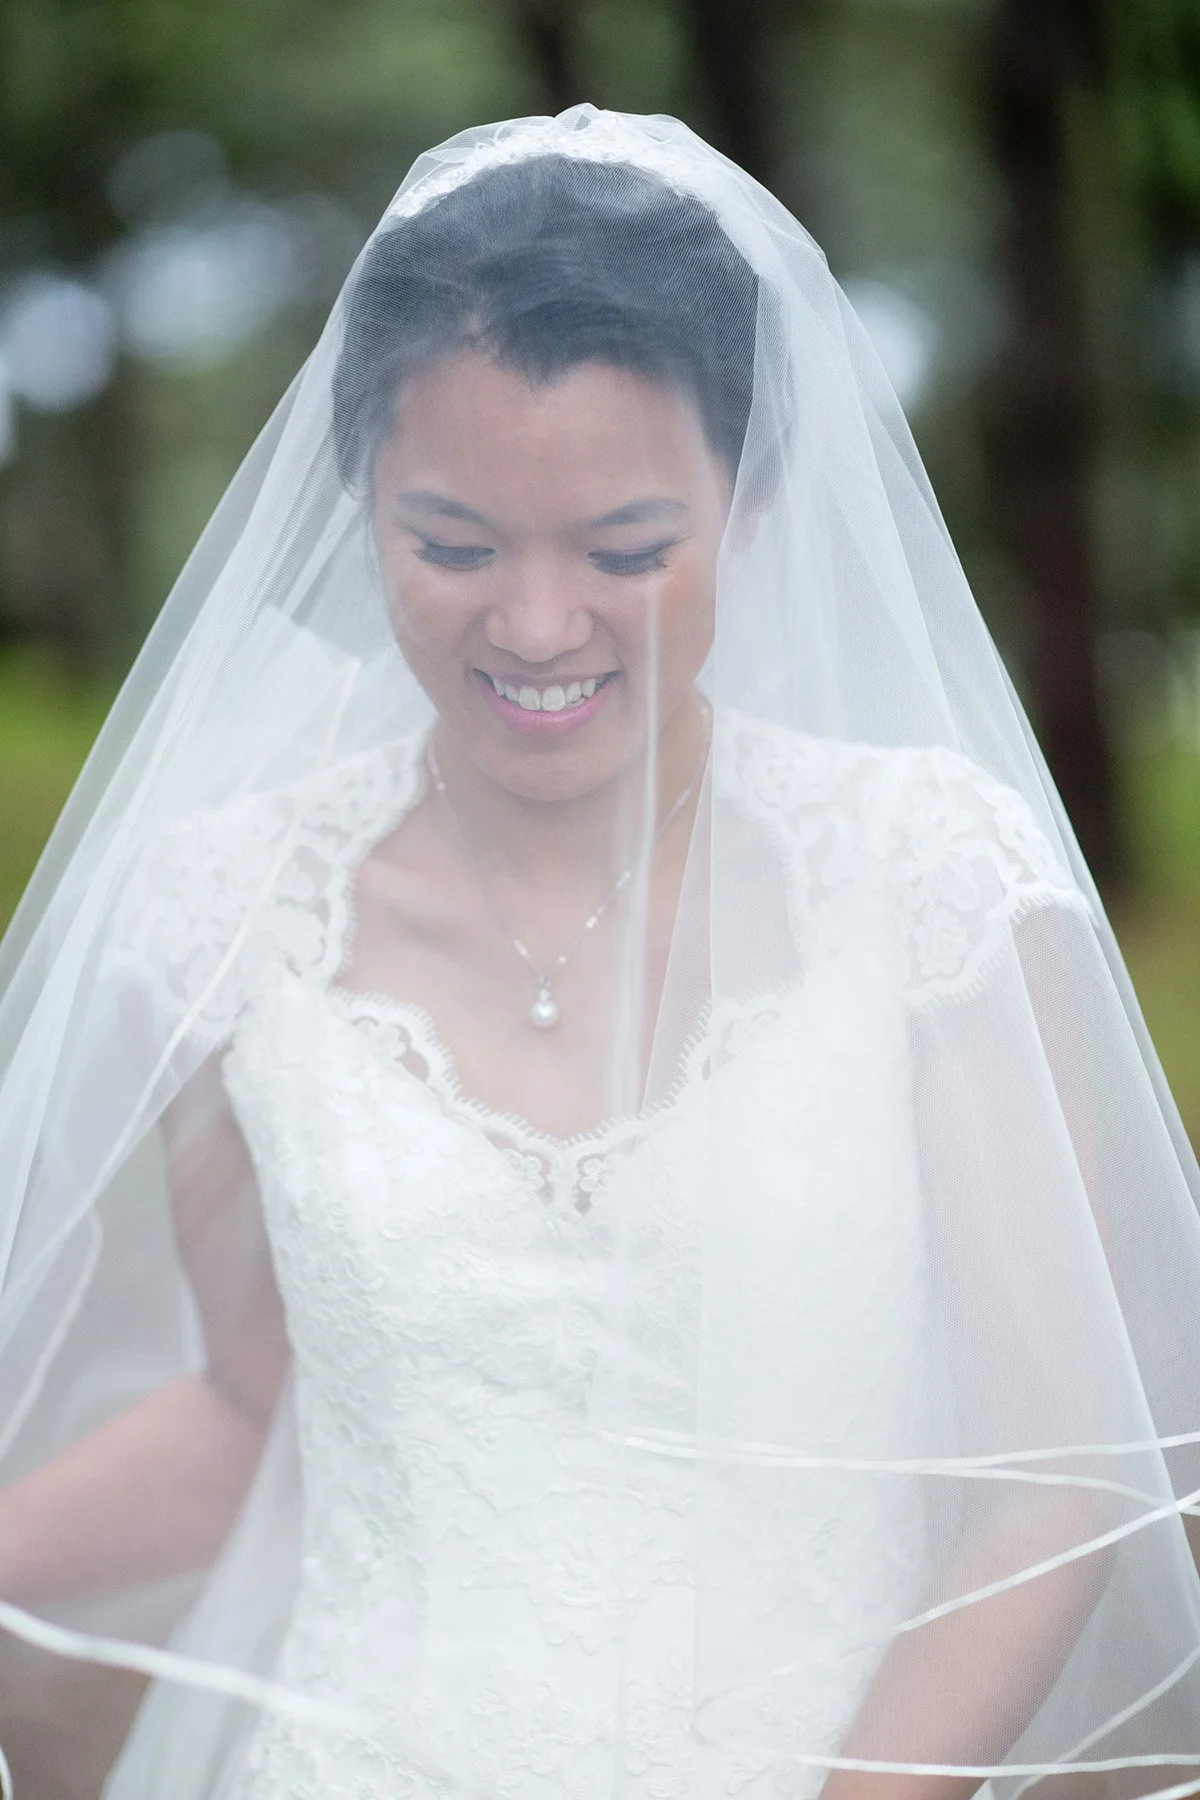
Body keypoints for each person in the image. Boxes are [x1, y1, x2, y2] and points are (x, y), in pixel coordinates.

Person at [0, 104, 1198, 1800]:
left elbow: (1056, 1472)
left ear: (755, 498)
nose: (540, 625)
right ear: (360, 510)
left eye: (627, 551)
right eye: (456, 545)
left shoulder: (927, 877)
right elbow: (255, 1401)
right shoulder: (226, 913)